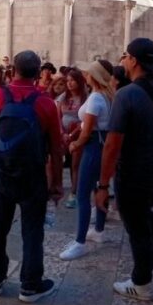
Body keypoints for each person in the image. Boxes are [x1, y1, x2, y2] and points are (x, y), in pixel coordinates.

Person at [95, 38, 153, 300]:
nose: (123, 60)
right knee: (143, 216)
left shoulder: (127, 94)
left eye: (125, 56)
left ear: (133, 60)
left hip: (134, 170)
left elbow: (112, 144)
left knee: (136, 226)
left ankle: (141, 283)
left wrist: (102, 185)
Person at [0, 50, 63, 303]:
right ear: (38, 73)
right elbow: (56, 149)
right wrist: (56, 183)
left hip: (2, 176)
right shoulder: (46, 103)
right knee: (33, 231)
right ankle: (30, 285)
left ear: (12, 70)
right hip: (32, 177)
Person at [59, 60, 114, 260]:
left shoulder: (96, 99)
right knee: (99, 188)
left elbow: (87, 128)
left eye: (89, 73)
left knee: (82, 195)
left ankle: (80, 241)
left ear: (94, 76)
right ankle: (98, 230)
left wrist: (75, 144)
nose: (86, 76)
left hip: (92, 148)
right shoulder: (107, 96)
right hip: (103, 147)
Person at [57, 68, 87, 208]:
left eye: (72, 80)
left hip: (77, 134)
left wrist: (72, 133)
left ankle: (74, 193)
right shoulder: (63, 97)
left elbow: (86, 119)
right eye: (67, 81)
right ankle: (55, 188)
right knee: (55, 161)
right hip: (63, 134)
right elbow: (57, 116)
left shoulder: (85, 98)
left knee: (75, 165)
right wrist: (62, 133)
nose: (69, 84)